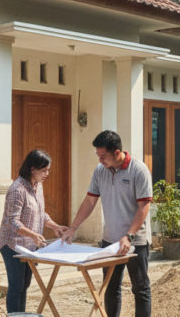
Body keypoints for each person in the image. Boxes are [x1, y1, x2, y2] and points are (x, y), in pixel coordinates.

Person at [61, 131, 153, 317]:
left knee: (140, 288)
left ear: (117, 152)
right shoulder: (99, 171)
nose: (100, 160)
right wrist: (73, 227)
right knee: (110, 288)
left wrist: (129, 236)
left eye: (103, 156)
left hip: (135, 242)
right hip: (109, 241)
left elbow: (144, 207)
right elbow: (89, 201)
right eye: (98, 156)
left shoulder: (138, 170)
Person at [0, 150, 68, 313]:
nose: (47, 174)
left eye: (48, 170)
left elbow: (40, 214)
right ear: (32, 168)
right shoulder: (17, 189)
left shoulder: (38, 186)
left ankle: (21, 315)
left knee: (25, 285)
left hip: (29, 247)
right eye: (44, 170)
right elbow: (11, 221)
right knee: (16, 287)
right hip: (13, 245)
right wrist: (34, 235)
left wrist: (55, 226)